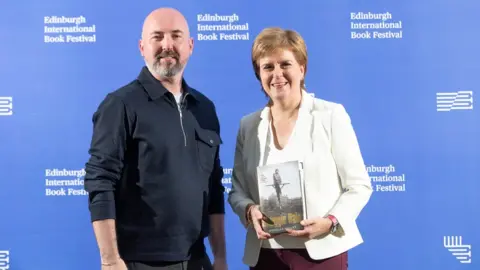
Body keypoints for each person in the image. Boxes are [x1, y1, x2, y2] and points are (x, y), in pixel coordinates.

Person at [84, 7, 227, 270]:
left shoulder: (205, 108)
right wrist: (110, 260)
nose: (167, 45)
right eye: (157, 37)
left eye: (176, 36)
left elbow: (214, 188)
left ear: (191, 45)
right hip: (139, 262)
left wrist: (220, 257)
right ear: (142, 46)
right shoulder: (120, 105)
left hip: (198, 260)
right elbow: (100, 182)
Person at [227, 27, 373, 270]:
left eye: (285, 64)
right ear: (258, 74)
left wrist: (330, 221)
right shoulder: (248, 126)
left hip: (321, 253)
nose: (277, 74)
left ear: (302, 69)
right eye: (268, 67)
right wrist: (249, 210)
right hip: (265, 255)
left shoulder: (330, 115)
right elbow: (237, 192)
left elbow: (359, 186)